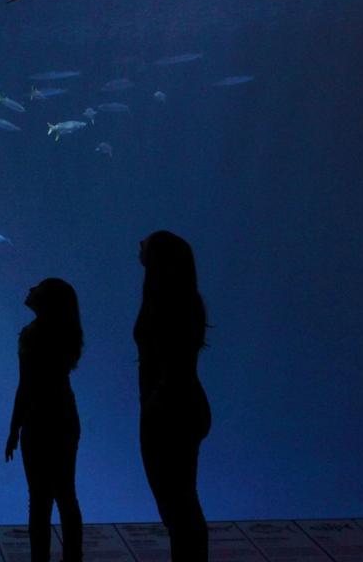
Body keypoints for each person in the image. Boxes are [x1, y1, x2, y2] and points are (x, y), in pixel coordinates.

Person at [135, 231, 212, 562]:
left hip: (168, 409)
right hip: (179, 405)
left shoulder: (168, 303)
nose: (139, 245)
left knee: (177, 507)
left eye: (147, 243)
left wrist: (155, 403)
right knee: (179, 504)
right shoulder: (177, 298)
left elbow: (174, 360)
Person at [5, 278, 84, 562]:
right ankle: (73, 557)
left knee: (39, 499)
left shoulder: (32, 334)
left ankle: (40, 558)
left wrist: (14, 428)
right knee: (66, 494)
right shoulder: (68, 333)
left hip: (38, 420)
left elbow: (25, 385)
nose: (29, 288)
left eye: (36, 287)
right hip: (65, 414)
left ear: (46, 300)